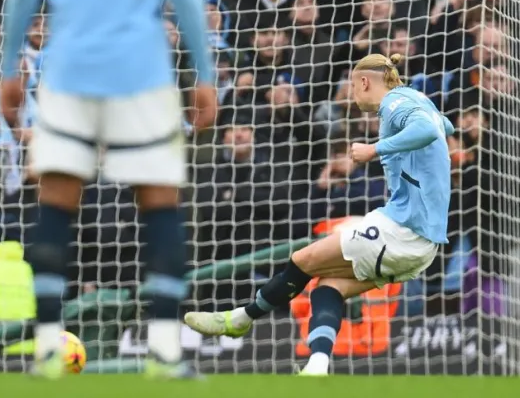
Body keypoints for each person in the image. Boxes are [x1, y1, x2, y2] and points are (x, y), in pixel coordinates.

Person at [0, 0, 218, 380]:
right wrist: (205, 73)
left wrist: (9, 66)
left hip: (67, 66)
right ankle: (167, 352)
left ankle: (46, 347)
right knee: (160, 204)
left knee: (55, 203)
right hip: (141, 67)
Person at [184, 53, 452, 376]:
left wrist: (373, 150)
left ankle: (240, 318)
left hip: (403, 230)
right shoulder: (417, 100)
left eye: (354, 87)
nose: (352, 96)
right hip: (420, 243)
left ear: (365, 82)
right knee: (328, 285)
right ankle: (318, 364)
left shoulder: (394, 103)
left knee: (303, 259)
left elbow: (427, 129)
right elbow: (443, 125)